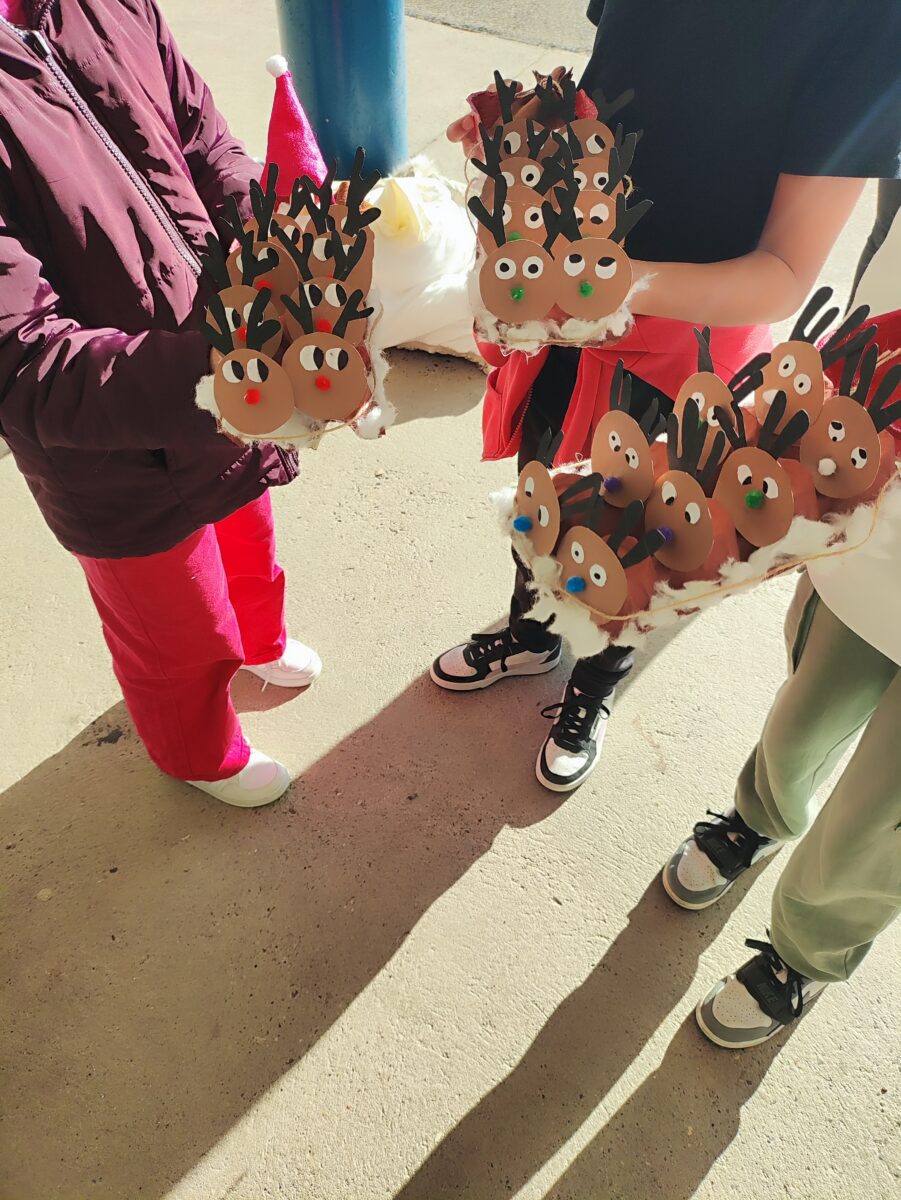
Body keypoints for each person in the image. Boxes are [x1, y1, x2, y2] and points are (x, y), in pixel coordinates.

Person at [431, 0, 901, 794]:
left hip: (682, 342)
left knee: (640, 529)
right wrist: (523, 157)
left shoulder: (862, 25)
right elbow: (608, 94)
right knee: (540, 482)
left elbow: (782, 273)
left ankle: (592, 687)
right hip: (565, 307)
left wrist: (612, 285)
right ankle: (529, 631)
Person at [0, 1, 321, 807]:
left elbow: (203, 138)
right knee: (172, 634)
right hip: (112, 451)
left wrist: (268, 237)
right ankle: (196, 752)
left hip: (220, 372)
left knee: (248, 535)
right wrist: (224, 375)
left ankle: (258, 643)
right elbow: (24, 359)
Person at [663, 196, 901, 1048]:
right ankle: (761, 814)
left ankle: (807, 948)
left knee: (882, 810)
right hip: (876, 525)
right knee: (806, 706)